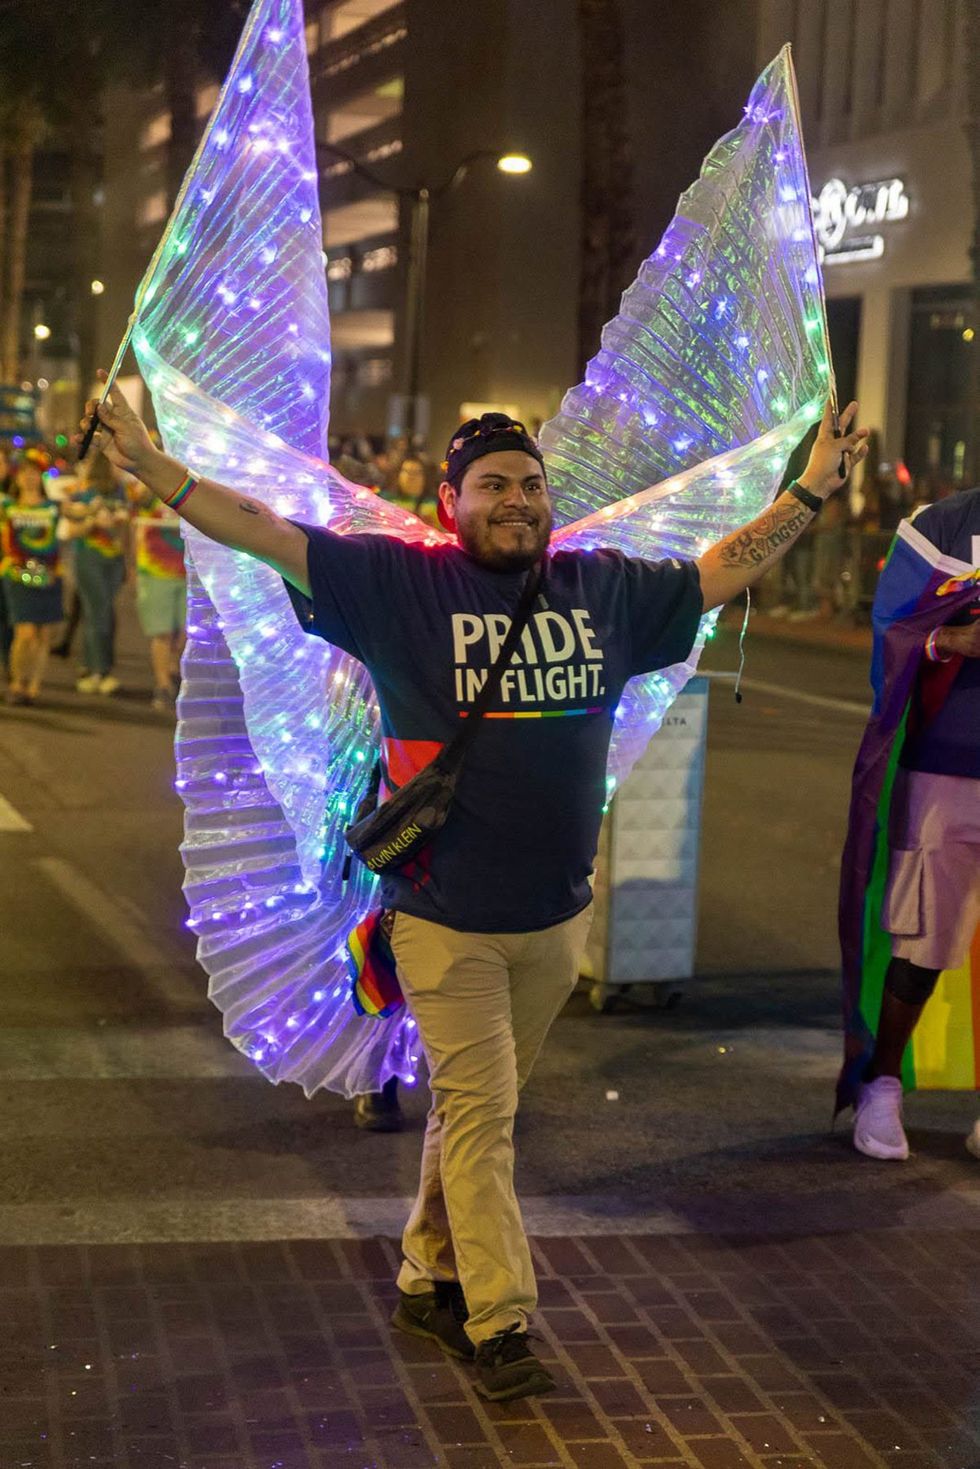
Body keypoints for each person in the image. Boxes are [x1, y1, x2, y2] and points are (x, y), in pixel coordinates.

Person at [82, 382, 867, 1401]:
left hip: (555, 918)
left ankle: (422, 1268)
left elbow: (719, 569)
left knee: (472, 1111)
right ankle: (498, 1321)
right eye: (492, 483)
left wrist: (806, 490)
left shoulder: (601, 589)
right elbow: (264, 528)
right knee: (485, 1116)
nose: (516, 499)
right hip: (441, 915)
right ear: (451, 500)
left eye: (530, 483)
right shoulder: (398, 587)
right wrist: (156, 468)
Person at [846, 487, 980, 1161]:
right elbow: (892, 629)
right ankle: (883, 1082)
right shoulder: (944, 525)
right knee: (921, 938)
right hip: (947, 763)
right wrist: (952, 637)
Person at [63, 451, 130, 695]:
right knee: (96, 615)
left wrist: (127, 562)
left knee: (105, 614)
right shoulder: (84, 492)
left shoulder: (120, 492)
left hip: (113, 560)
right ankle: (98, 671)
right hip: (88, 559)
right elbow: (71, 527)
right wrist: (92, 519)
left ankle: (94, 666)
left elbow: (125, 526)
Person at [0, 449, 63, 706]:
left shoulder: (53, 508)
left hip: (49, 576)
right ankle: (17, 682)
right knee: (24, 633)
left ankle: (34, 686)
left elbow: (75, 523)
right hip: (16, 575)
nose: (29, 478)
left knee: (43, 635)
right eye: (24, 473)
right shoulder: (7, 508)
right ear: (17, 478)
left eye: (34, 473)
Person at [129, 483, 187, 712]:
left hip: (186, 572)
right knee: (161, 632)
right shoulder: (148, 493)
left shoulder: (187, 490)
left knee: (183, 632)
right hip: (155, 572)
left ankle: (172, 667)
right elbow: (136, 517)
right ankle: (163, 684)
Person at [385, 455, 440, 528]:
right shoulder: (387, 501)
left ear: (426, 477)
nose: (410, 477)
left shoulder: (435, 505)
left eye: (416, 472)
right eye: (406, 471)